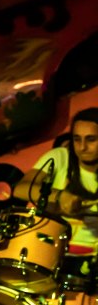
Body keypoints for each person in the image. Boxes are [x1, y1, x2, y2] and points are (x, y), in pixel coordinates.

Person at [12, 107, 98, 283]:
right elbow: (20, 189)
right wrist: (59, 196)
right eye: (77, 139)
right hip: (49, 254)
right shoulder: (60, 157)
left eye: (91, 139)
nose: (82, 147)